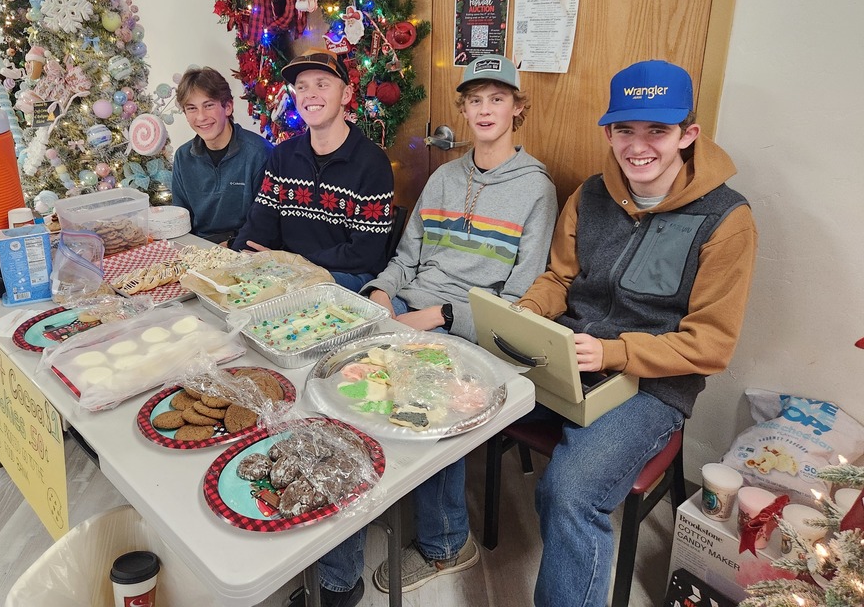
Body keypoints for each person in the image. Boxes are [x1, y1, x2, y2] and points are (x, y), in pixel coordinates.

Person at [289, 54, 558, 607]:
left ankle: (445, 543)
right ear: (463, 109)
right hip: (409, 306)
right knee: (341, 385)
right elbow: (404, 258)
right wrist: (381, 293)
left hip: (473, 325)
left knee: (428, 398)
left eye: (497, 99)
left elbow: (519, 301)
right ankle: (339, 571)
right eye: (474, 100)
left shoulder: (536, 189)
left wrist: (439, 318)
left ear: (517, 109)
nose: (484, 110)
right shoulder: (443, 176)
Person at [512, 59, 758, 606]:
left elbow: (712, 343)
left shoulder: (726, 219)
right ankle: (445, 540)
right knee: (473, 404)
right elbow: (559, 276)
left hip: (653, 386)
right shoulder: (590, 194)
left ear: (688, 134)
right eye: (626, 129)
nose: (638, 145)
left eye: (658, 130)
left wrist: (615, 351)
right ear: (609, 132)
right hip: (571, 355)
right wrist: (529, 311)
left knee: (570, 491)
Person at [231, 50, 393, 291]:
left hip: (345, 277)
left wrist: (295, 264)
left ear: (345, 94)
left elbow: (364, 253)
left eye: (322, 84)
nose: (310, 95)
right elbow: (260, 223)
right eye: (302, 87)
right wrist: (237, 260)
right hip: (288, 271)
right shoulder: (282, 156)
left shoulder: (373, 164)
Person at [171, 66, 271, 244]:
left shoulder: (259, 153)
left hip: (245, 248)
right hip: (198, 250)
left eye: (208, 105)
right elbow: (180, 220)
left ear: (228, 107)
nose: (201, 117)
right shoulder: (182, 157)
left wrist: (232, 246)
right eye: (192, 108)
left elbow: (265, 223)